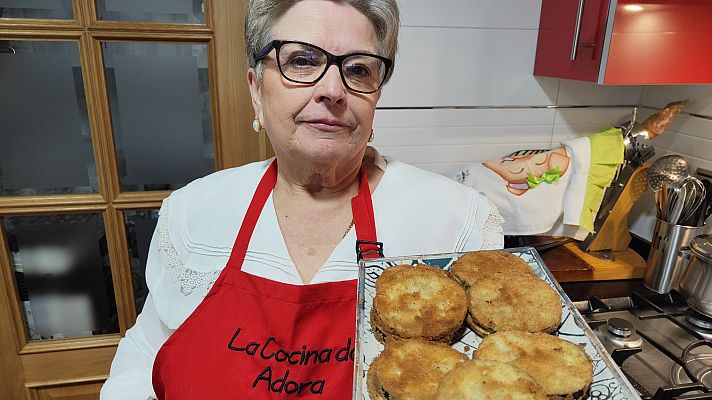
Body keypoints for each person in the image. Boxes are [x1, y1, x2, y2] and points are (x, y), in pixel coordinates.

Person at [100, 0, 503, 398]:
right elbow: (146, 350)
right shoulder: (193, 212)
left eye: (358, 69)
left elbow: (489, 376)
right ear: (256, 90)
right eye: (302, 61)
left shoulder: (460, 220)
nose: (332, 90)